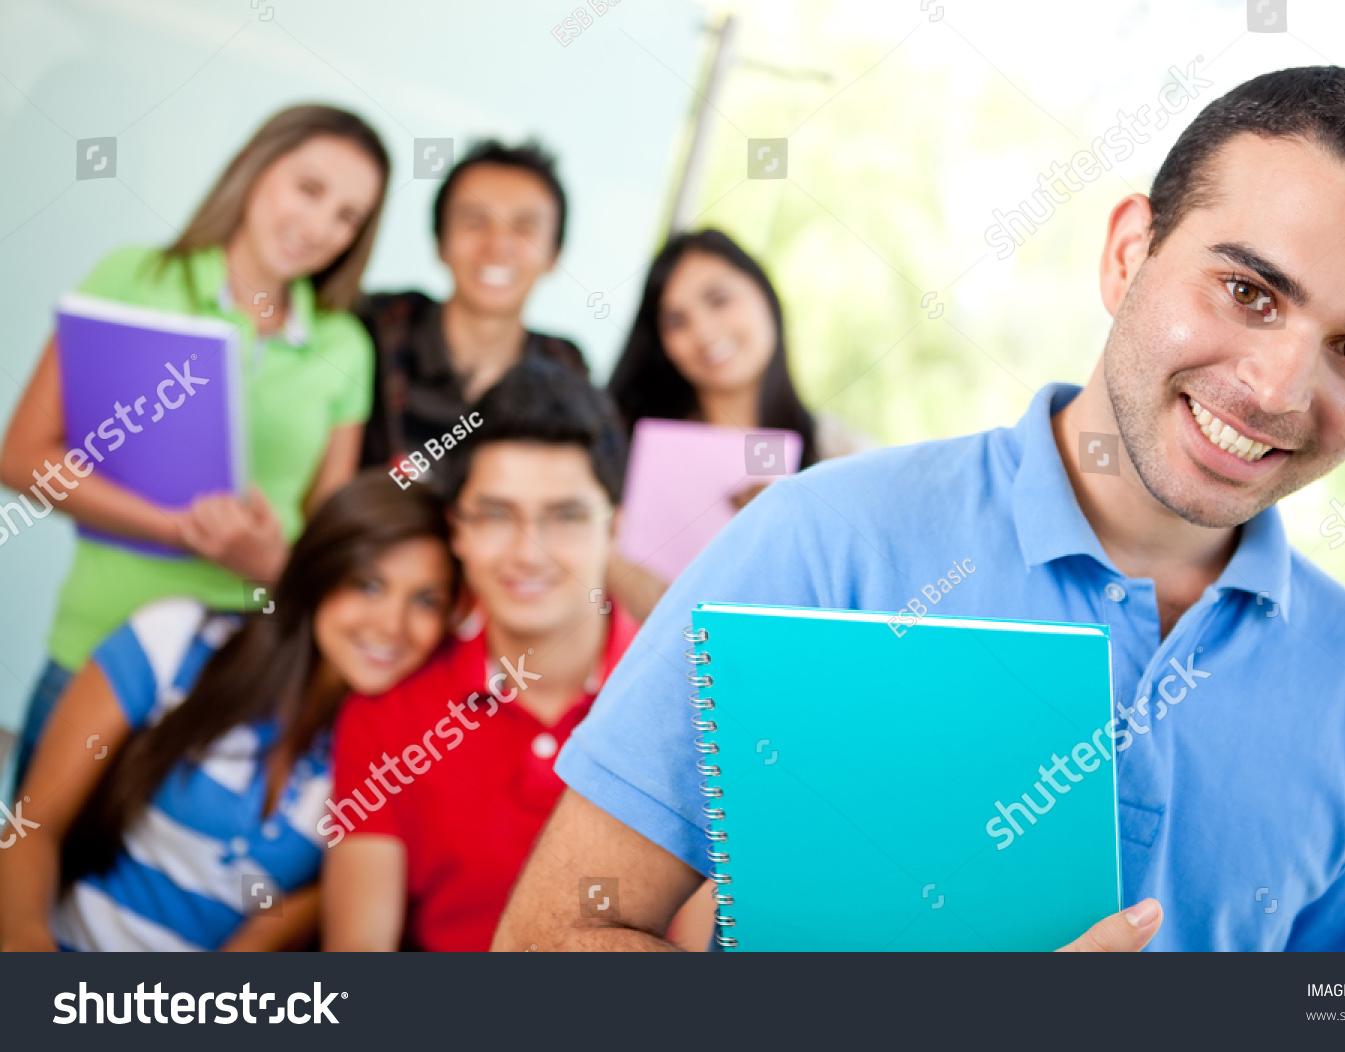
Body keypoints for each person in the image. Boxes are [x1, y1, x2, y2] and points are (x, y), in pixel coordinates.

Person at [494, 66, 1345, 953]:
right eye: (1249, 292)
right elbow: (548, 947)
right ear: (1129, 253)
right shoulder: (823, 543)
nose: (1277, 389)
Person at [1, 104, 390, 781]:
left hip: (235, 677)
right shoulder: (134, 279)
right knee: (28, 860)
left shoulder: (344, 346)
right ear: (254, 168)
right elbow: (23, 458)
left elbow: (331, 541)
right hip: (98, 637)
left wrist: (273, 562)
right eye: (309, 189)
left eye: (349, 216)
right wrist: (179, 529)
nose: (322, 227)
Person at [0, 473, 456, 951]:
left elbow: (261, 942)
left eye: (426, 600)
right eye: (368, 585)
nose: (391, 625)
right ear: (319, 572)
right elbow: (32, 828)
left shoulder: (391, 764)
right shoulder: (175, 640)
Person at [322, 359, 657, 952]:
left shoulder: (692, 707)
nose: (528, 554)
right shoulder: (388, 718)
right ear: (458, 530)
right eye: (498, 515)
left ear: (615, 529)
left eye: (565, 516)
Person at [604, 228, 875, 619]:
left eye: (719, 300)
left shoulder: (845, 456)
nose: (704, 331)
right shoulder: (624, 453)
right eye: (677, 321)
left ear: (766, 296)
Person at [356, 138, 588, 473]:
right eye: (475, 222)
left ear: (554, 254)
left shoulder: (564, 374)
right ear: (440, 241)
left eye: (525, 228)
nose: (497, 246)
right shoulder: (374, 327)